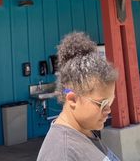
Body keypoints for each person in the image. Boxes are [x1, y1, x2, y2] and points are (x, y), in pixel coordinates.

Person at [37, 32, 120, 161]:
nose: (108, 110)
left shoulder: (86, 131)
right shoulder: (62, 154)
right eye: (102, 103)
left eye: (110, 102)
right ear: (73, 99)